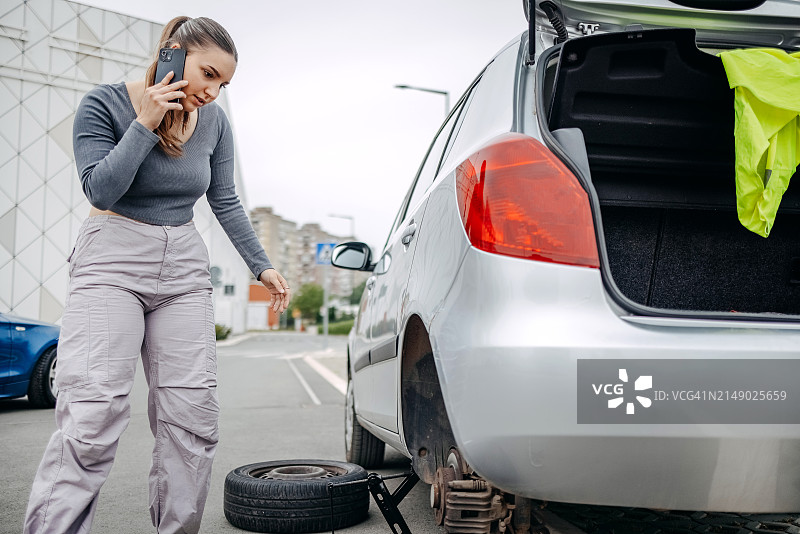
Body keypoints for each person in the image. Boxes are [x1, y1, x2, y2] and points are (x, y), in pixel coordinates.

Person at [23, 16, 290, 534]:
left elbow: (225, 199)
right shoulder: (104, 105)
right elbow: (101, 189)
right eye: (207, 74)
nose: (212, 92)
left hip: (184, 267)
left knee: (192, 418)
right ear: (172, 52)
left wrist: (264, 265)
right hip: (112, 258)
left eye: (223, 85)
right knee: (93, 414)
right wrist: (144, 123)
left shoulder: (214, 123)